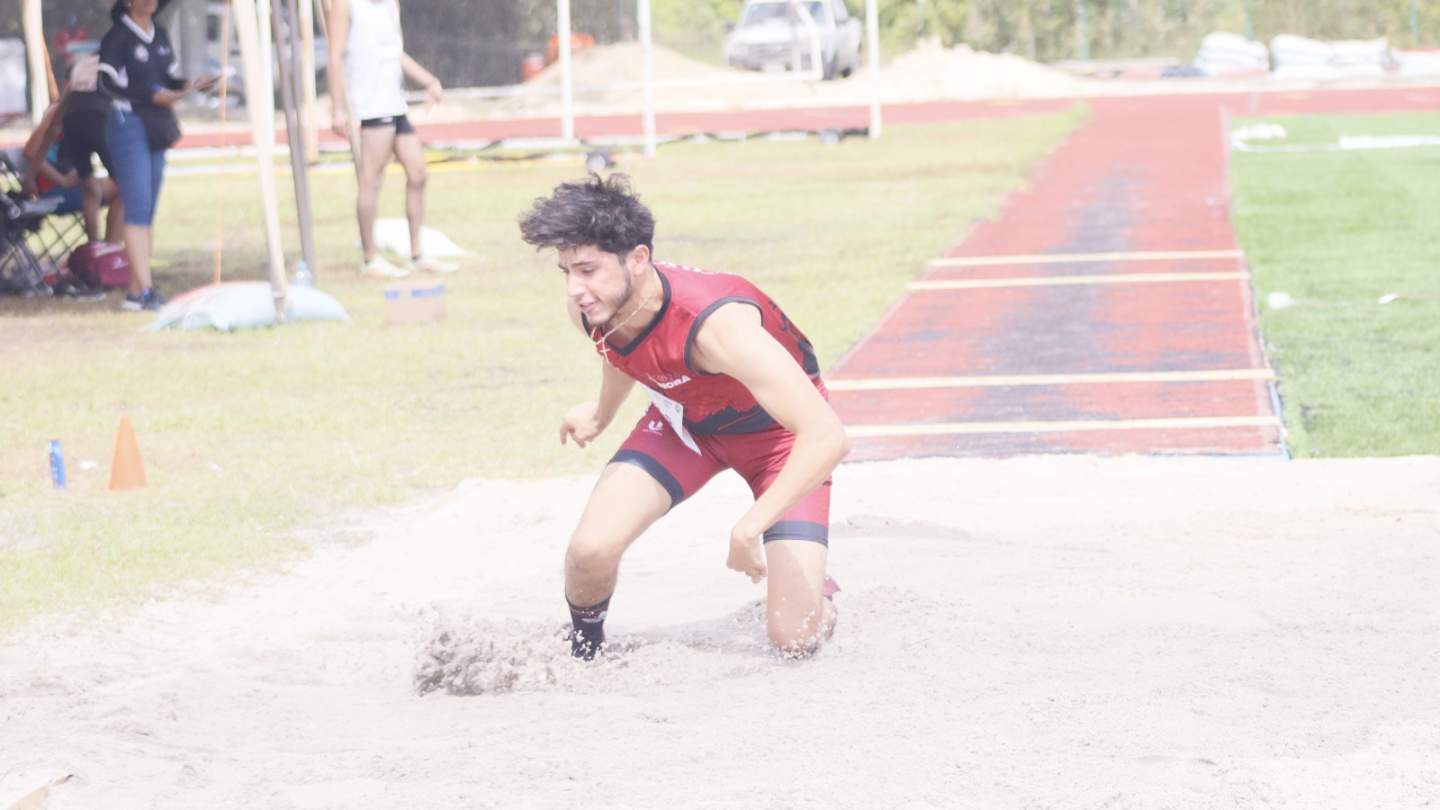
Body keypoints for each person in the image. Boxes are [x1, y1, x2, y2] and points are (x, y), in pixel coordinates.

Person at [518, 175, 850, 660]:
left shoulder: (717, 325)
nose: (575, 289)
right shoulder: (593, 310)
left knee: (794, 636)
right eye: (566, 271)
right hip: (687, 426)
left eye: (588, 270)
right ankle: (585, 652)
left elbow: (826, 436)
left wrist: (749, 526)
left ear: (637, 258)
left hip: (779, 441)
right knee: (590, 550)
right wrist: (602, 413)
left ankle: (817, 591)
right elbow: (618, 352)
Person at [97, 0, 216, 311]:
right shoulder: (117, 37)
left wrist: (191, 85)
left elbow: (168, 78)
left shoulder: (160, 34)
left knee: (147, 207)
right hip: (128, 123)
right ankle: (145, 290)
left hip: (156, 125)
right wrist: (149, 95)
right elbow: (106, 81)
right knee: (136, 205)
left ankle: (137, 291)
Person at [327, 0, 454, 278]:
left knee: (418, 173)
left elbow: (395, 52)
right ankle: (370, 258)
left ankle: (417, 253)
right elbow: (335, 56)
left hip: (395, 104)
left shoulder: (389, 4)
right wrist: (337, 107)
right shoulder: (345, 5)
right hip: (370, 105)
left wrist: (428, 81)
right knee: (371, 179)